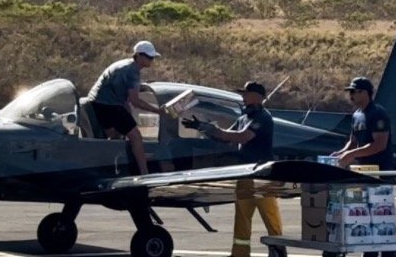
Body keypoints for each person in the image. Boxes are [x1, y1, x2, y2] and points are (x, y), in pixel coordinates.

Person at [184, 81, 286, 257]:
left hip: (263, 176)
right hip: (245, 175)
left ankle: (278, 252)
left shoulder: (263, 118)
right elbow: (225, 138)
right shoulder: (244, 118)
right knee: (242, 220)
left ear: (257, 96)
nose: (243, 97)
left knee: (271, 218)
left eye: (246, 93)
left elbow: (243, 137)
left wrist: (215, 129)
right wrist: (203, 127)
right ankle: (239, 254)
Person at [331, 77, 396, 257]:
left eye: (354, 91)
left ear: (365, 93)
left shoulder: (377, 114)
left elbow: (379, 144)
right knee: (365, 220)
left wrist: (351, 155)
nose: (350, 95)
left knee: (381, 222)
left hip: (380, 174)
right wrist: (341, 152)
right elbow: (353, 141)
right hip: (363, 174)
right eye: (350, 92)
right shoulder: (357, 114)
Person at [86, 40, 168, 175]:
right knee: (136, 137)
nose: (151, 60)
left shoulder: (125, 65)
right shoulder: (132, 71)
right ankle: (144, 172)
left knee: (114, 136)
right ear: (139, 56)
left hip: (97, 102)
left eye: (152, 57)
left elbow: (124, 97)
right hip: (108, 105)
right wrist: (158, 111)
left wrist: (127, 113)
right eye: (149, 57)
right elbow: (135, 101)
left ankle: (110, 168)